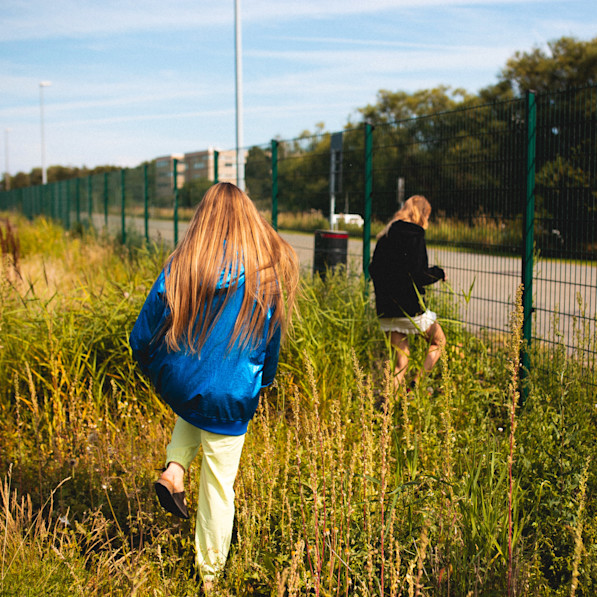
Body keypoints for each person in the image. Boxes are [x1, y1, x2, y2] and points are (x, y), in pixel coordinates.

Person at [129, 182, 299, 591]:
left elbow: (141, 335)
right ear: (248, 218)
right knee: (219, 490)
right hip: (232, 394)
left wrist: (155, 368)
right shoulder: (266, 273)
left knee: (196, 400)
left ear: (202, 217)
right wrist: (263, 382)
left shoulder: (183, 265)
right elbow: (271, 345)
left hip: (183, 382)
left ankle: (174, 469)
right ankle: (209, 579)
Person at [368, 195, 446, 389]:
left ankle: (384, 410)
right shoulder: (416, 235)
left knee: (400, 364)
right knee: (438, 341)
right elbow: (419, 274)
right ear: (424, 215)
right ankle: (415, 385)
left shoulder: (385, 234)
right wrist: (438, 273)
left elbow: (373, 270)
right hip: (411, 308)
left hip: (386, 308)